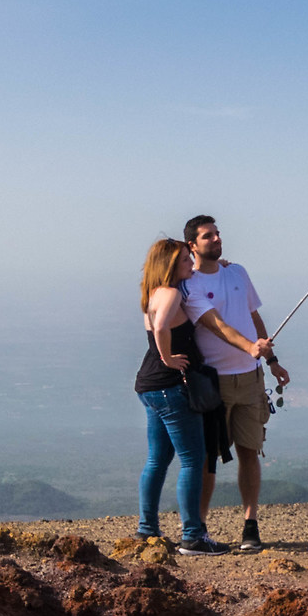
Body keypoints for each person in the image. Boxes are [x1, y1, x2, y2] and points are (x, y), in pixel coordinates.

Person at [179, 215, 289, 549]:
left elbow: (253, 316)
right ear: (192, 245)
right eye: (207, 236)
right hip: (215, 383)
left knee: (250, 451)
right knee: (208, 458)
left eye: (217, 233)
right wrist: (251, 347)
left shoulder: (237, 272)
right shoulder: (189, 284)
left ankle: (250, 525)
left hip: (251, 378)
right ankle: (198, 529)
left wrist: (271, 360)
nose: (216, 239)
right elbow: (217, 326)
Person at [135, 237, 223, 554]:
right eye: (186, 260)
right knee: (192, 460)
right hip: (170, 387)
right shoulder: (171, 294)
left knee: (157, 459)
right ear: (170, 265)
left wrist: (219, 266)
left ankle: (147, 529)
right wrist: (169, 358)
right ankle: (193, 536)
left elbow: (158, 324)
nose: (191, 264)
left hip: (150, 386)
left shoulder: (152, 293)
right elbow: (161, 328)